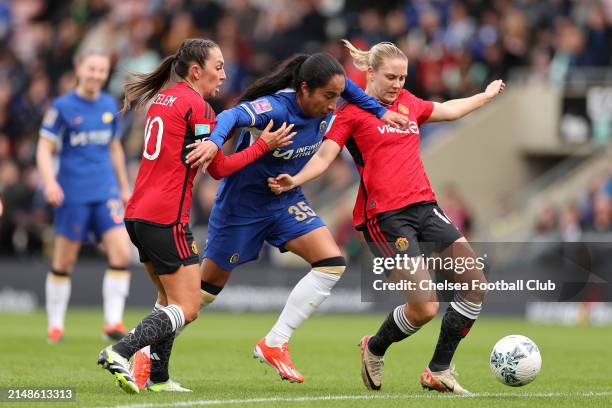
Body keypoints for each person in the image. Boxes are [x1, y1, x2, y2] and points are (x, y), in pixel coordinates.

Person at [268, 40, 505, 394]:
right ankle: (375, 347)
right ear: (370, 73)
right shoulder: (349, 113)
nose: (398, 84)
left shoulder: (409, 104)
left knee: (475, 284)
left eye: (403, 77)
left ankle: (438, 370)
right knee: (425, 307)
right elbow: (323, 157)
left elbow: (449, 110)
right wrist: (296, 179)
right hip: (385, 216)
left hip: (426, 207)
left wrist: (485, 96)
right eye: (391, 77)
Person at [173, 52, 408, 385]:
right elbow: (230, 115)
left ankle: (275, 341)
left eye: (336, 97)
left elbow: (349, 91)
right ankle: (148, 343)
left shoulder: (330, 98)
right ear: (304, 89)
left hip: (284, 200)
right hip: (242, 207)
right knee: (203, 294)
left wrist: (382, 111)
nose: (332, 105)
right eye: (327, 96)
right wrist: (213, 143)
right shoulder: (276, 108)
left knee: (331, 262)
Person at [96, 38, 294, 394]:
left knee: (169, 302)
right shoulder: (197, 107)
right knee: (188, 307)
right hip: (166, 216)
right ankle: (120, 350)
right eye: (218, 67)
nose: (223, 75)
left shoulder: (163, 99)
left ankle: (158, 377)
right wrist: (263, 146)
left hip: (139, 214)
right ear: (195, 70)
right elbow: (217, 168)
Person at [37, 49, 132, 344]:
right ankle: (55, 325)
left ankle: (113, 322)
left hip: (105, 192)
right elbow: (44, 148)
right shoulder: (62, 107)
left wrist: (124, 185)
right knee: (64, 261)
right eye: (92, 69)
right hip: (73, 194)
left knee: (121, 253)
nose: (96, 76)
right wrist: (50, 182)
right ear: (79, 68)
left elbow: (114, 147)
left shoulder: (108, 104)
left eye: (102, 71)